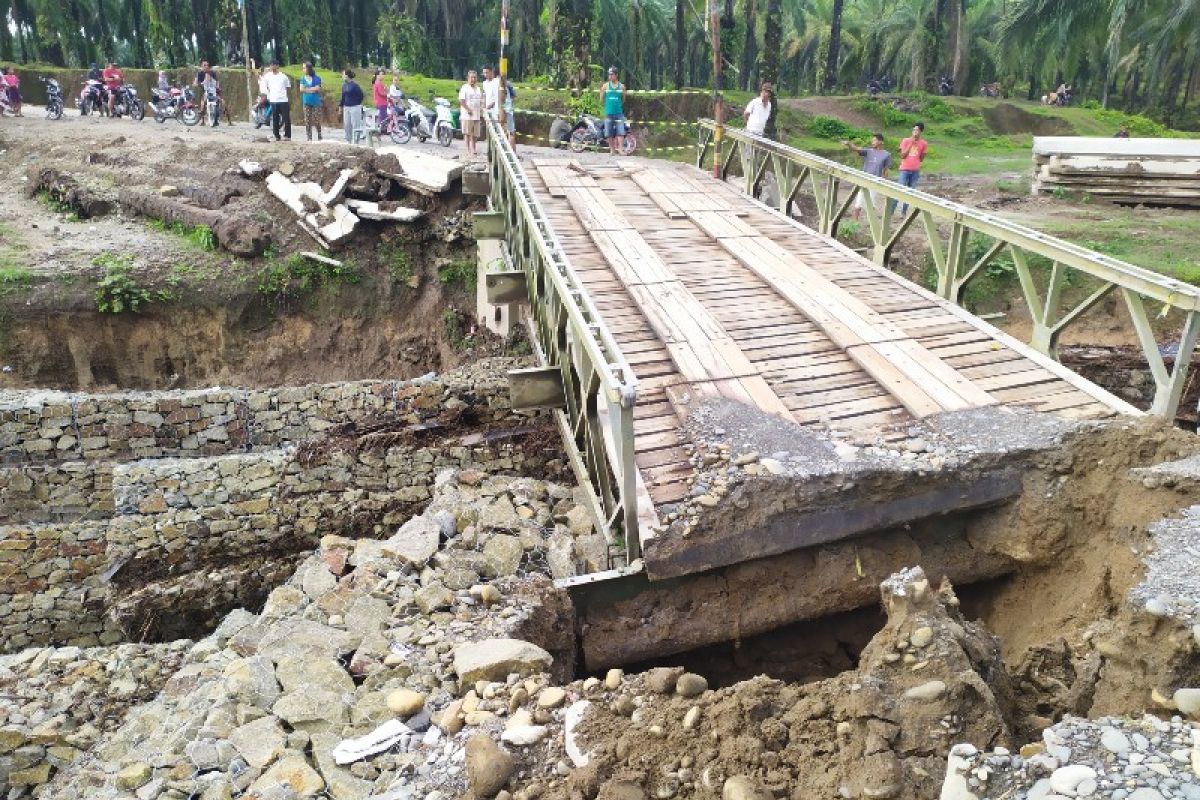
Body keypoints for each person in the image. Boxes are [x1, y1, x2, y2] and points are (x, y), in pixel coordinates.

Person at [842, 133, 891, 219]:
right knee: (858, 203)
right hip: (864, 180)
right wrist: (849, 144)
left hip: (875, 182)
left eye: (874, 140)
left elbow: (885, 170)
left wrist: (885, 183)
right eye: (872, 140)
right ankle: (854, 222)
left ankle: (872, 224)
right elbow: (856, 149)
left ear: (881, 142)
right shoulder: (868, 151)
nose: (872, 142)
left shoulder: (886, 155)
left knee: (871, 204)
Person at [897, 122, 927, 215]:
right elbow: (902, 155)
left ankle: (904, 212)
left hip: (915, 170)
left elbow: (921, 159)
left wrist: (923, 153)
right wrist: (911, 144)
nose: (915, 132)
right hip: (905, 169)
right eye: (913, 129)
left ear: (920, 131)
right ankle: (892, 210)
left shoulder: (924, 143)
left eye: (917, 130)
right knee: (899, 188)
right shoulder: (906, 140)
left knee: (910, 191)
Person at [600, 66, 626, 155]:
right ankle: (612, 150)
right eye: (609, 74)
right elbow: (601, 99)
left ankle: (621, 149)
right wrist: (607, 106)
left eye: (612, 74)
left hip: (619, 113)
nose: (610, 76)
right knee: (608, 132)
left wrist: (617, 105)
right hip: (608, 113)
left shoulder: (621, 86)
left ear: (616, 75)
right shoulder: (605, 86)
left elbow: (623, 99)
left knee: (620, 131)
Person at [263, 61, 292, 141]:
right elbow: (266, 87)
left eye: (274, 65)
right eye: (271, 65)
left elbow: (288, 87)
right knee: (275, 119)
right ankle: (276, 135)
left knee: (286, 119)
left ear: (278, 66)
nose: (272, 67)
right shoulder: (267, 76)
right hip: (273, 100)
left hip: (283, 100)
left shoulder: (283, 76)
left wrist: (287, 98)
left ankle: (287, 135)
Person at [458, 70, 484, 157]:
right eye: (471, 77)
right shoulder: (464, 87)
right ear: (468, 78)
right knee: (467, 133)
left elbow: (481, 100)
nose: (473, 79)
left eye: (474, 77)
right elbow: (462, 101)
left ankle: (474, 149)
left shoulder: (478, 88)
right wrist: (468, 109)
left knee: (475, 134)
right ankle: (468, 149)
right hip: (467, 114)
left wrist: (482, 106)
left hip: (476, 114)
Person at [339, 68, 364, 143]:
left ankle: (356, 141)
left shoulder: (355, 85)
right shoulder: (344, 86)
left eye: (343, 75)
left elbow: (361, 95)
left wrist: (356, 103)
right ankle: (348, 140)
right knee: (347, 125)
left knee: (355, 125)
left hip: (355, 107)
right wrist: (340, 107)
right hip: (346, 107)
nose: (342, 76)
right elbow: (343, 97)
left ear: (347, 75)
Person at [299, 62, 322, 141]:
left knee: (316, 119)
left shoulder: (317, 78)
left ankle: (319, 134)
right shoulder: (302, 78)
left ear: (309, 68)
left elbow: (318, 89)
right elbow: (301, 89)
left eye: (304, 68)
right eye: (303, 68)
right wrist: (312, 89)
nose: (303, 69)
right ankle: (309, 137)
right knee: (307, 120)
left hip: (316, 102)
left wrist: (307, 89)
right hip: (306, 102)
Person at [499, 73, 516, 149]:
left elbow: (513, 96)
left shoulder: (496, 83)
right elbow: (513, 96)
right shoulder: (507, 83)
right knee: (510, 132)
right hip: (507, 110)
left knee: (506, 132)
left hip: (502, 111)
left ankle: (510, 151)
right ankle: (512, 152)